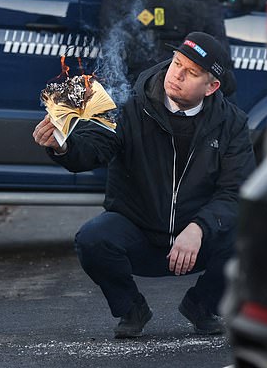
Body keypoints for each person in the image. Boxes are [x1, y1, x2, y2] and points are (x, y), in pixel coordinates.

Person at [34, 31, 255, 338]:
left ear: (211, 86)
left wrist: (199, 228)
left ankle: (202, 305)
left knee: (254, 235)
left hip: (195, 242)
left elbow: (236, 192)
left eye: (191, 73)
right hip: (139, 232)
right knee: (93, 238)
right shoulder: (131, 107)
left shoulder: (233, 123)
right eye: (176, 62)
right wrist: (62, 148)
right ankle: (131, 308)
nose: (176, 74)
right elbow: (95, 150)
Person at [99, 0, 237, 101]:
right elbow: (111, 28)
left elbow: (213, 21)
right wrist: (119, 79)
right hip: (144, 71)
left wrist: (224, 71)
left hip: (189, 65)